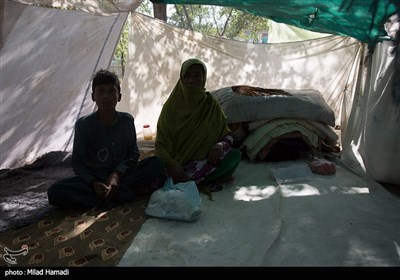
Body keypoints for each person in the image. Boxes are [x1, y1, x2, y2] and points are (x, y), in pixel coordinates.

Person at [47, 69, 164, 209]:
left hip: (123, 175)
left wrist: (116, 175)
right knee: (55, 192)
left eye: (111, 91)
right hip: (96, 178)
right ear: (93, 96)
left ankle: (107, 197)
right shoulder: (83, 125)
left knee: (157, 163)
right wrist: (92, 182)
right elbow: (78, 163)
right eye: (101, 92)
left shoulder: (126, 120)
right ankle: (120, 194)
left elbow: (133, 155)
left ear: (119, 96)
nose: (106, 97)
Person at [155, 58, 241, 195]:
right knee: (153, 169)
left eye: (197, 76)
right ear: (181, 78)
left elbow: (227, 136)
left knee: (235, 156)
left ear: (204, 79)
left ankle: (190, 180)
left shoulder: (210, 104)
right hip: (176, 165)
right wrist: (171, 164)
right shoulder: (171, 107)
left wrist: (219, 145)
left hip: (204, 162)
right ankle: (201, 180)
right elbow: (160, 145)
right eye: (187, 76)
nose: (191, 80)